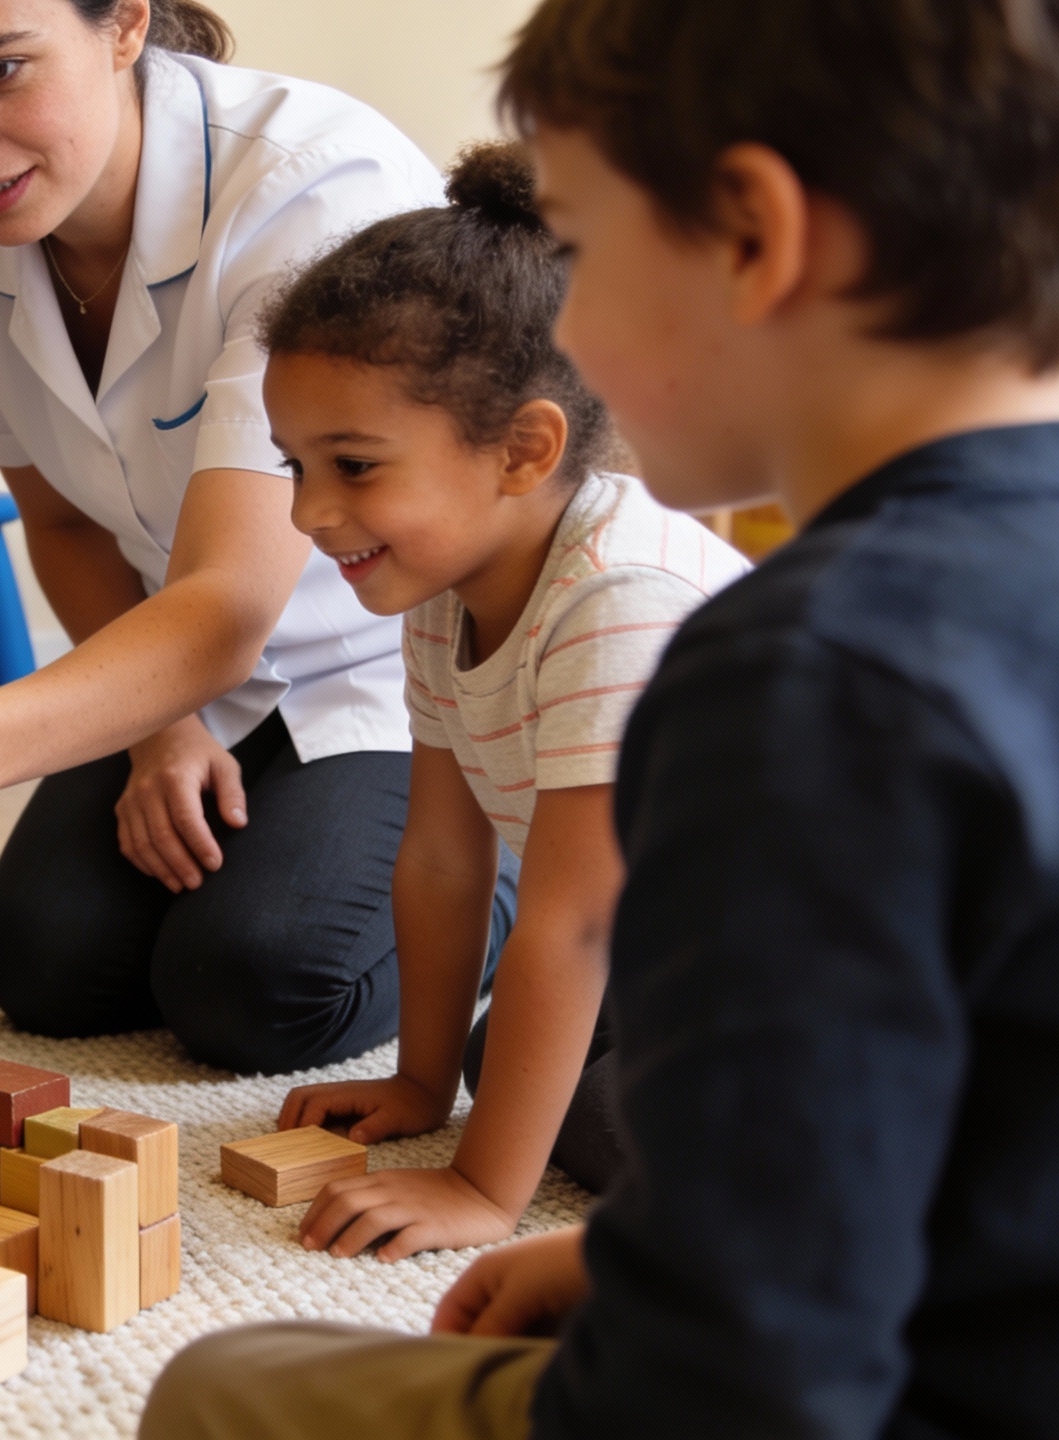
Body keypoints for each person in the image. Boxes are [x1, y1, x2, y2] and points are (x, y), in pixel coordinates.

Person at [141, 0, 1059, 1435]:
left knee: (221, 1390)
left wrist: (625, 1285)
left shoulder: (796, 667)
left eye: (578, 246)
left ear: (754, 238)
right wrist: (618, 1249)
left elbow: (755, 1366)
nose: (562, 324)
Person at [0, 0, 510, 1075]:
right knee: (47, 972)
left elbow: (229, 600)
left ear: (123, 23)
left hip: (387, 664)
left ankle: (522, 855)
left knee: (260, 989)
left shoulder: (313, 185)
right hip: (188, 662)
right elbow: (65, 521)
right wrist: (157, 732)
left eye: (1, 70)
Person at [266, 144, 748, 1258]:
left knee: (600, 1119)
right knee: (504, 1061)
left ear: (524, 450)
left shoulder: (620, 596)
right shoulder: (442, 579)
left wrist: (483, 1191)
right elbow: (443, 855)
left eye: (352, 464)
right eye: (293, 465)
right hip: (690, 947)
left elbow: (572, 923)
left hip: (856, 970)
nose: (307, 514)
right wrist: (422, 1082)